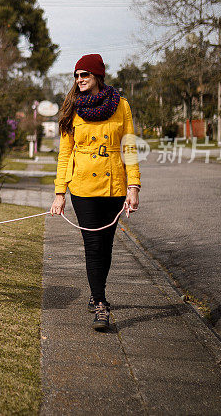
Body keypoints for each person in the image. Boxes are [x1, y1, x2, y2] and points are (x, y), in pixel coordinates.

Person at [49, 53, 140, 331]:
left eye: (85, 75)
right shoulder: (72, 108)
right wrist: (59, 192)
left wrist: (133, 186)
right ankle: (101, 303)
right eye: (77, 76)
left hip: (113, 186)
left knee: (106, 245)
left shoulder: (121, 105)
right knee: (92, 245)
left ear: (98, 76)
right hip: (83, 188)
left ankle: (95, 290)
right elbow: (65, 154)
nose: (80, 80)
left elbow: (130, 147)